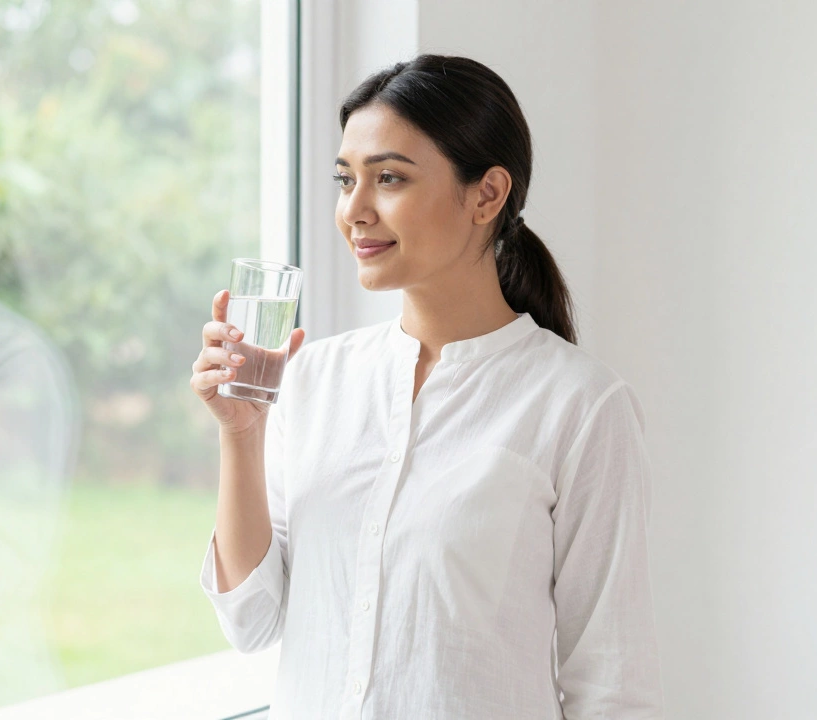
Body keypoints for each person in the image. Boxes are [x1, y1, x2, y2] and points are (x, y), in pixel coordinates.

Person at [190, 53, 665, 719]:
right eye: (344, 179)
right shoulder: (313, 381)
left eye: (388, 178)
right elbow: (252, 622)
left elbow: (613, 687)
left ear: (487, 194)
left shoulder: (580, 407)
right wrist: (241, 437)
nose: (354, 210)